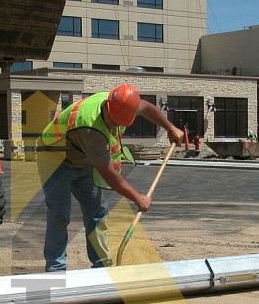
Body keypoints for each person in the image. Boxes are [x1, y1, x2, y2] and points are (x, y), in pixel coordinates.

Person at [37, 84, 184, 271]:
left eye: (119, 123)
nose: (114, 126)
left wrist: (170, 127)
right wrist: (137, 198)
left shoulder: (123, 101)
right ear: (107, 106)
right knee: (60, 214)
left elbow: (146, 107)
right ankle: (55, 269)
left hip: (82, 157)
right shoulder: (89, 126)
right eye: (112, 121)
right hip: (54, 157)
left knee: (97, 211)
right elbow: (108, 174)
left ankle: (102, 266)